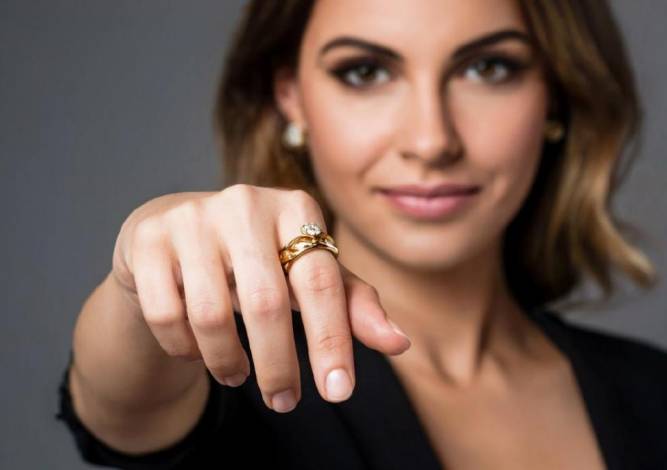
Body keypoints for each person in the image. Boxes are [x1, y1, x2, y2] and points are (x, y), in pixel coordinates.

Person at [56, 0, 667, 469]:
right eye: (365, 72)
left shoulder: (652, 393)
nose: (431, 141)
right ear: (291, 98)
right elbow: (119, 404)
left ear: (555, 96)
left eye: (488, 68)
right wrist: (141, 269)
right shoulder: (229, 367)